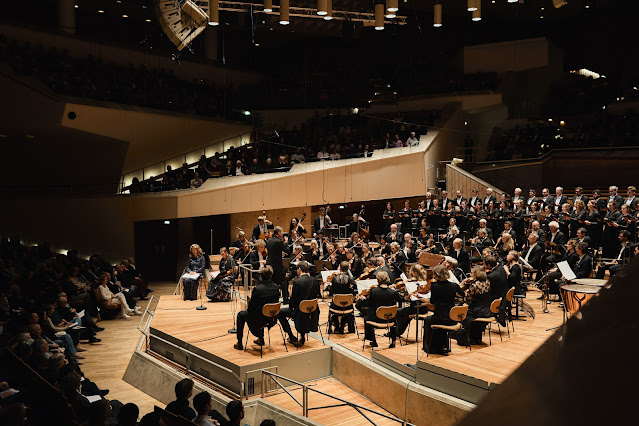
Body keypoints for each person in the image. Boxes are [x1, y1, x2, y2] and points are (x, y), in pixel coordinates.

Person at [234, 266, 282, 350]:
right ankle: (261, 339)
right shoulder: (276, 287)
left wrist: (249, 306)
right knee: (262, 310)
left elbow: (252, 307)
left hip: (258, 319)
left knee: (241, 315)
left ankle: (239, 343)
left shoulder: (257, 289)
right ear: (271, 275)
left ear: (261, 275)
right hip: (272, 318)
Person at [422, 265, 464, 354]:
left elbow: (432, 302)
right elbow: (462, 294)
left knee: (427, 320)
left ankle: (430, 347)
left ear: (436, 275)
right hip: (452, 318)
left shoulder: (435, 286)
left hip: (439, 318)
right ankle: (444, 345)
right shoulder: (454, 285)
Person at [363, 271, 403, 348]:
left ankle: (373, 341)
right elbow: (401, 299)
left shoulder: (374, 291)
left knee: (366, 319)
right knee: (395, 317)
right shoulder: (392, 292)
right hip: (389, 319)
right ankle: (393, 341)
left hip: (376, 319)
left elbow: (369, 304)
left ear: (378, 280)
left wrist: (364, 298)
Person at [455, 266, 492, 346]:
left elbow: (468, 299)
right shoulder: (487, 281)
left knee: (462, 313)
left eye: (472, 273)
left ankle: (464, 338)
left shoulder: (474, 285)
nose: (470, 274)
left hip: (477, 312)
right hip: (487, 310)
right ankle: (476, 338)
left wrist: (459, 298)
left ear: (476, 274)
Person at [287, 262, 321, 346]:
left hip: (300, 311)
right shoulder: (315, 280)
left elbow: (294, 299)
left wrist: (291, 309)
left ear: (299, 270)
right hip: (313, 309)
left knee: (281, 313)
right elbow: (317, 294)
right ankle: (302, 336)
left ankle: (291, 336)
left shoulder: (297, 281)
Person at [328, 261, 358, 334]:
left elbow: (331, 292)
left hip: (336, 305)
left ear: (340, 268)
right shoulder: (350, 279)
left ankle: (337, 326)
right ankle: (347, 327)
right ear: (348, 269)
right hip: (347, 305)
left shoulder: (334, 278)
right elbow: (355, 290)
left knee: (332, 306)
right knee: (348, 308)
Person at [266, 226, 291, 302]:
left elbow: (274, 251)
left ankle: (274, 298)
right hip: (277, 265)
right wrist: (286, 242)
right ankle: (286, 298)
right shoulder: (278, 241)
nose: (283, 233)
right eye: (282, 232)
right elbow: (287, 250)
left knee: (274, 282)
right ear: (279, 233)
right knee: (283, 281)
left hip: (270, 264)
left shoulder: (269, 240)